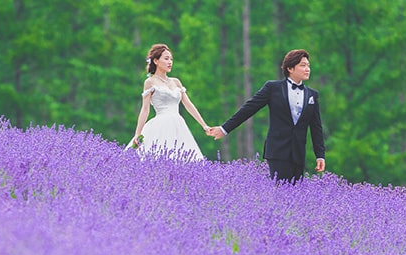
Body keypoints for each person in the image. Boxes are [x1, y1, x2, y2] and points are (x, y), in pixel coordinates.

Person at [211, 49, 326, 182]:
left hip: (298, 154)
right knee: (280, 194)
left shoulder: (312, 95)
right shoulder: (272, 88)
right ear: (290, 68)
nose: (307, 69)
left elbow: (316, 127)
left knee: (295, 198)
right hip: (277, 151)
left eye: (308, 65)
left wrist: (320, 155)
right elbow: (249, 109)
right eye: (303, 65)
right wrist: (224, 129)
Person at [130, 44, 213, 161]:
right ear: (156, 61)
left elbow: (189, 105)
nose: (170, 62)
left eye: (171, 59)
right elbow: (145, 109)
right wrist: (138, 133)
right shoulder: (150, 82)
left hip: (178, 124)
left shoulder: (176, 82)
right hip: (160, 125)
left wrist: (204, 125)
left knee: (183, 159)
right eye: (166, 59)